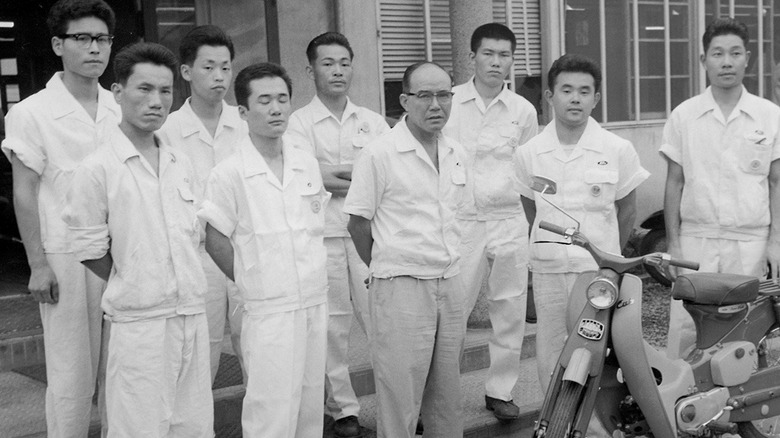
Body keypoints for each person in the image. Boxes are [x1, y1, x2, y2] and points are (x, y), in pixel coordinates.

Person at [63, 42, 213, 436]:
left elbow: (193, 234)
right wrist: (138, 278)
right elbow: (92, 252)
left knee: (193, 427)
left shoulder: (180, 161)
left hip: (191, 314)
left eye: (165, 91)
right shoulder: (97, 169)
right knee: (139, 429)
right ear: (117, 93)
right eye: (144, 89)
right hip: (139, 323)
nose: (156, 101)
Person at [1, 1, 118, 435]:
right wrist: (37, 264)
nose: (94, 49)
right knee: (72, 375)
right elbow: (25, 191)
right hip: (66, 256)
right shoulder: (31, 112)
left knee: (123, 370)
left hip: (121, 252)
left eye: (102, 39)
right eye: (82, 38)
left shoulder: (120, 106)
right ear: (57, 44)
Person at [199, 62, 329, 437]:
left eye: (283, 100)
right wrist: (249, 278)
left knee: (309, 405)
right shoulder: (229, 172)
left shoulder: (305, 161)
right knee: (271, 409)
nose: (276, 109)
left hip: (313, 300)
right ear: (243, 112)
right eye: (265, 101)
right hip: (269, 307)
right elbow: (214, 237)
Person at [345, 61, 467, 438]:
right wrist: (386, 266)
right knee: (401, 397)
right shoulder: (379, 154)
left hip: (449, 283)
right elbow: (358, 223)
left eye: (444, 94)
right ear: (404, 100)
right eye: (425, 96)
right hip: (401, 288)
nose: (436, 105)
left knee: (448, 398)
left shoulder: (456, 151)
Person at [516, 53, 648, 395]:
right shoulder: (529, 153)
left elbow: (628, 210)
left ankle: (593, 428)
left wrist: (607, 256)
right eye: (566, 90)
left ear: (596, 98)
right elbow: (531, 209)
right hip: (549, 268)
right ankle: (552, 422)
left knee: (597, 348)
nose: (575, 98)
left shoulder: (617, 148)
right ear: (549, 96)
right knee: (550, 349)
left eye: (584, 91)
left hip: (597, 270)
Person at [286, 31, 390, 437]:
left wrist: (331, 176)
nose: (337, 71)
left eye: (344, 63)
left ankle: (397, 402)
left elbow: (383, 177)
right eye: (328, 63)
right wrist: (338, 176)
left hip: (368, 235)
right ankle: (343, 409)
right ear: (310, 69)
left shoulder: (372, 121)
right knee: (334, 327)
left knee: (381, 319)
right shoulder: (297, 123)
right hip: (323, 235)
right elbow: (304, 179)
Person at [662, 18, 780, 359]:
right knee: (687, 329)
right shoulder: (684, 116)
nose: (726, 61)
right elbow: (674, 181)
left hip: (750, 242)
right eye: (717, 53)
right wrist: (672, 242)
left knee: (745, 330)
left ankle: (741, 410)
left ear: (748, 58)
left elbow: (776, 182)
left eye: (734, 53)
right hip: (695, 243)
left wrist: (775, 242)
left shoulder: (769, 116)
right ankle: (681, 404)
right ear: (704, 61)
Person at [443, 22, 538, 421]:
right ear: (472, 57)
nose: (496, 62)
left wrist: (533, 231)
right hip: (460, 221)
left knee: (509, 311)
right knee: (450, 313)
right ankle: (439, 396)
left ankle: (500, 390)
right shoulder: (448, 102)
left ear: (512, 61)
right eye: (488, 54)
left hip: (509, 219)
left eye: (504, 55)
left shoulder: (524, 110)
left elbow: (530, 173)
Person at [157, 24, 247, 385]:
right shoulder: (166, 130)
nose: (219, 76)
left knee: (256, 347)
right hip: (195, 257)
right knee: (198, 355)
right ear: (186, 71)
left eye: (225, 67)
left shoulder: (246, 125)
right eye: (208, 67)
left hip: (244, 250)